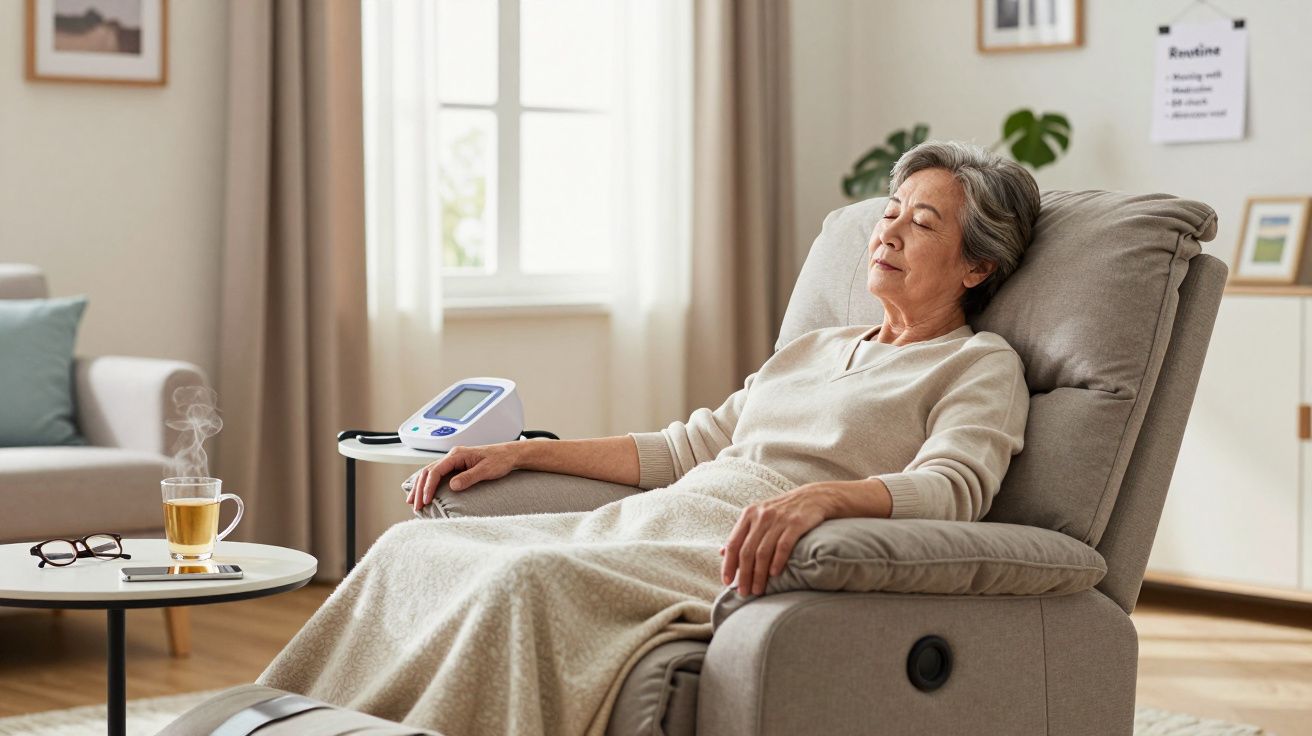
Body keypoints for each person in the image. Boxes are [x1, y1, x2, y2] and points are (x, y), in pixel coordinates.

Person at [260, 140, 1039, 735]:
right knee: (410, 549)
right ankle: (280, 722)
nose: (890, 230)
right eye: (891, 211)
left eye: (923, 221)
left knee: (524, 580)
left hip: (738, 548)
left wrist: (824, 499)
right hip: (664, 514)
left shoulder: (978, 364)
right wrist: (522, 450)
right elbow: (687, 447)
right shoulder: (817, 347)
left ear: (977, 266)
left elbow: (955, 488)